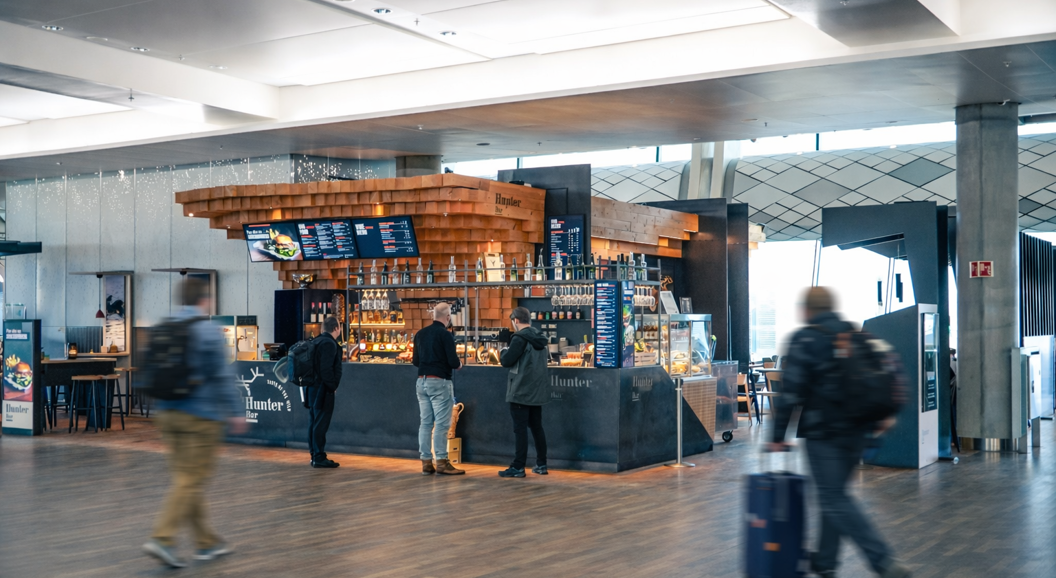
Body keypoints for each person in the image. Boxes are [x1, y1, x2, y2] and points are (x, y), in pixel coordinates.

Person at [767, 287, 910, 578]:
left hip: (824, 434)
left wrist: (778, 435)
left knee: (833, 498)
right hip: (858, 432)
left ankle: (882, 560)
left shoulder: (806, 339)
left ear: (807, 310)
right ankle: (825, 562)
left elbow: (791, 390)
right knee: (833, 495)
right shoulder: (855, 335)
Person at [143, 278, 247, 569]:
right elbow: (223, 376)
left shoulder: (164, 325)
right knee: (190, 480)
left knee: (186, 480)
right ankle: (162, 537)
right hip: (200, 417)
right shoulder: (208, 331)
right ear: (205, 300)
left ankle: (207, 542)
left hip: (167, 413)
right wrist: (237, 412)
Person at [412, 302, 464, 475]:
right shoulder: (445, 335)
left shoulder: (420, 334)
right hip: (440, 382)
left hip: (421, 382)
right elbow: (453, 362)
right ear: (448, 317)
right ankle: (441, 461)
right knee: (442, 425)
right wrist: (459, 364)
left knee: (425, 424)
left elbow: (416, 362)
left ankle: (426, 462)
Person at [498, 307, 550, 478]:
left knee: (520, 430)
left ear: (516, 320)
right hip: (537, 390)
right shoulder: (540, 338)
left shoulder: (519, 338)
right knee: (537, 428)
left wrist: (502, 351)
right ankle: (541, 464)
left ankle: (518, 466)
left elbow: (506, 361)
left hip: (520, 390)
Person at [308, 315, 343, 468]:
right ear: (336, 328)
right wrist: (333, 385)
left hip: (311, 387)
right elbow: (326, 369)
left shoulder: (315, 341)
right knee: (321, 423)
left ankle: (314, 454)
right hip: (323, 389)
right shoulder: (329, 344)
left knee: (314, 422)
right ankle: (319, 456)